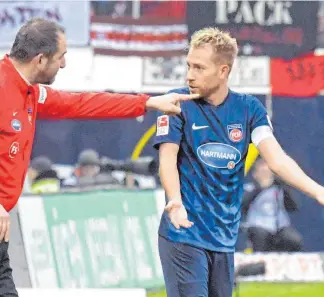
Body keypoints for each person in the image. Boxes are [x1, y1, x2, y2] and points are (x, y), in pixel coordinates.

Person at [0, 18, 198, 296]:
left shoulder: (30, 92)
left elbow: (83, 103)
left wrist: (148, 102)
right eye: (61, 57)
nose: (64, 64)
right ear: (40, 59)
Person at [153, 27, 324, 297]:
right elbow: (167, 159)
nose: (189, 75)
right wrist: (174, 201)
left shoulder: (249, 109)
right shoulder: (175, 103)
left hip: (223, 239)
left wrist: (317, 191)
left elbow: (277, 159)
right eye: (189, 66)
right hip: (183, 234)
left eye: (199, 68)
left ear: (223, 71)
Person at [242, 158, 302, 252]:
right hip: (258, 227)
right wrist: (260, 188)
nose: (266, 176)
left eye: (268, 173)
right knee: (260, 236)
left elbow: (293, 207)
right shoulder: (249, 189)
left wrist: (284, 186)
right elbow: (243, 206)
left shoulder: (279, 190)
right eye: (262, 172)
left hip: (280, 228)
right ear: (255, 174)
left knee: (293, 239)